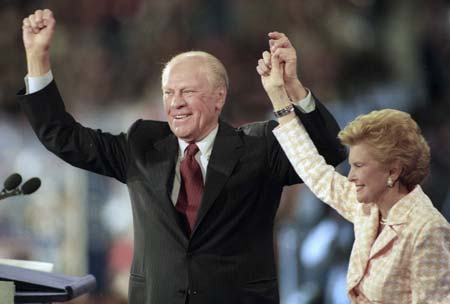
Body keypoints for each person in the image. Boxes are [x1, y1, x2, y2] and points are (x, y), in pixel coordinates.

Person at [19, 9, 347, 304]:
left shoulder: (258, 148)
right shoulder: (142, 146)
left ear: (219, 98)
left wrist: (293, 88)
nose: (175, 102)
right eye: (169, 92)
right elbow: (63, 137)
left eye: (188, 91)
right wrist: (37, 58)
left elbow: (329, 152)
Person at [258, 47, 450, 303]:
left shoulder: (427, 229)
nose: (350, 176)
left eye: (360, 167)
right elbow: (314, 169)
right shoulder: (366, 209)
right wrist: (280, 95)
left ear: (392, 170)